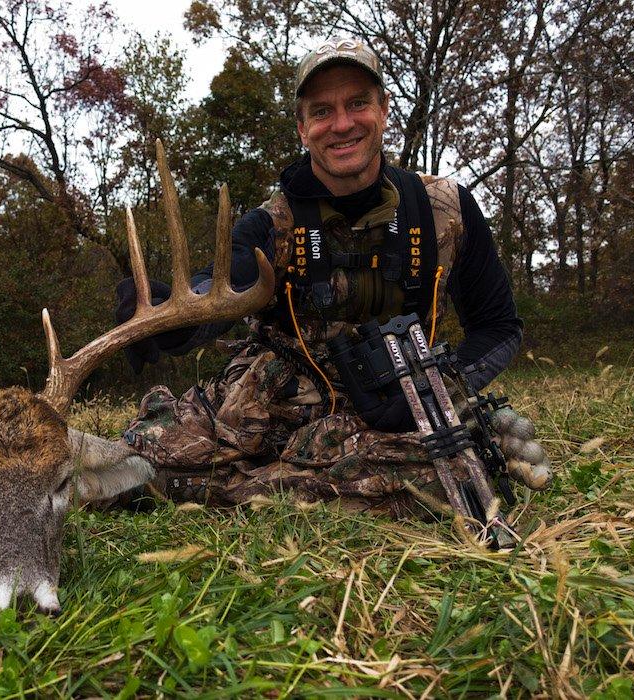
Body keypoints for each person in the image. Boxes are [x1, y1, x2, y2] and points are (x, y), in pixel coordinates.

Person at [115, 38, 551, 513]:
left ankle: (230, 489)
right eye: (322, 111)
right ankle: (265, 481)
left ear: (383, 110)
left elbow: (498, 327)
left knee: (452, 476)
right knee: (137, 458)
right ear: (303, 129)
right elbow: (228, 279)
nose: (342, 124)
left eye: (357, 103)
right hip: (272, 405)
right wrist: (178, 317)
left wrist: (444, 384)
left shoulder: (446, 207)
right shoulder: (272, 222)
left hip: (394, 406)